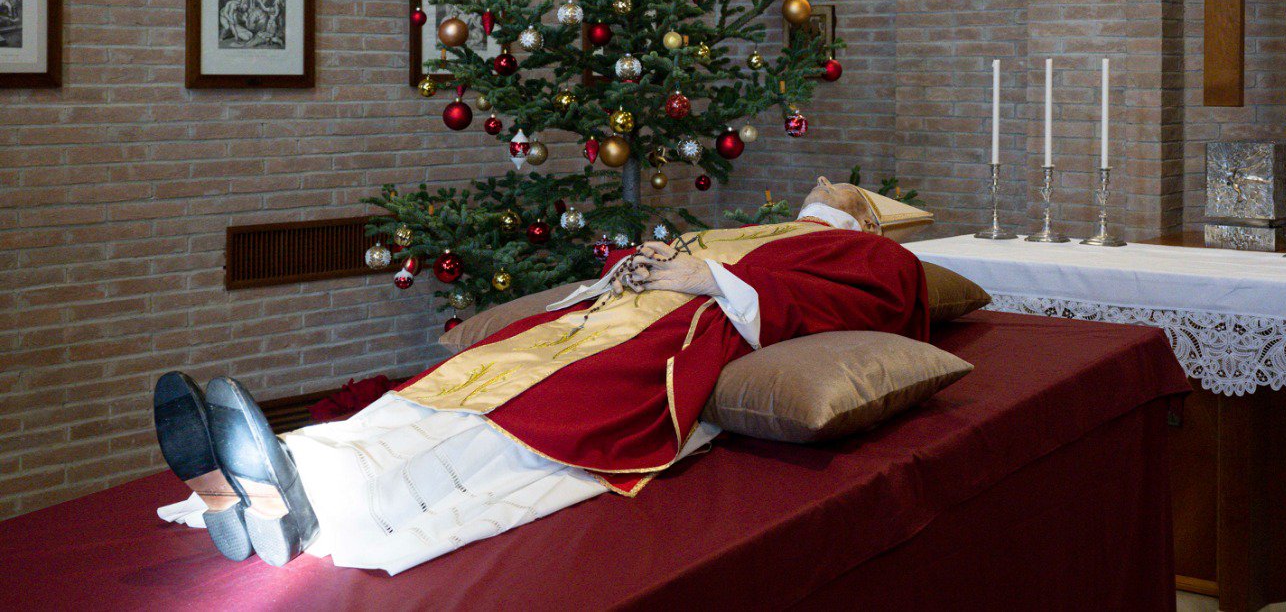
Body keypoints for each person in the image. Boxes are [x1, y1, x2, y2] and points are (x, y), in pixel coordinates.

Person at [154, 179, 927, 574]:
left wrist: (710, 282)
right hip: (607, 316)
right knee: (462, 376)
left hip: (673, 336)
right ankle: (269, 472)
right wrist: (642, 267)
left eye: (836, 191)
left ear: (860, 211)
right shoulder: (754, 226)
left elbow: (866, 306)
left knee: (527, 412)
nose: (819, 188)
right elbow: (680, 263)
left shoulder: (875, 253)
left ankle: (325, 501)